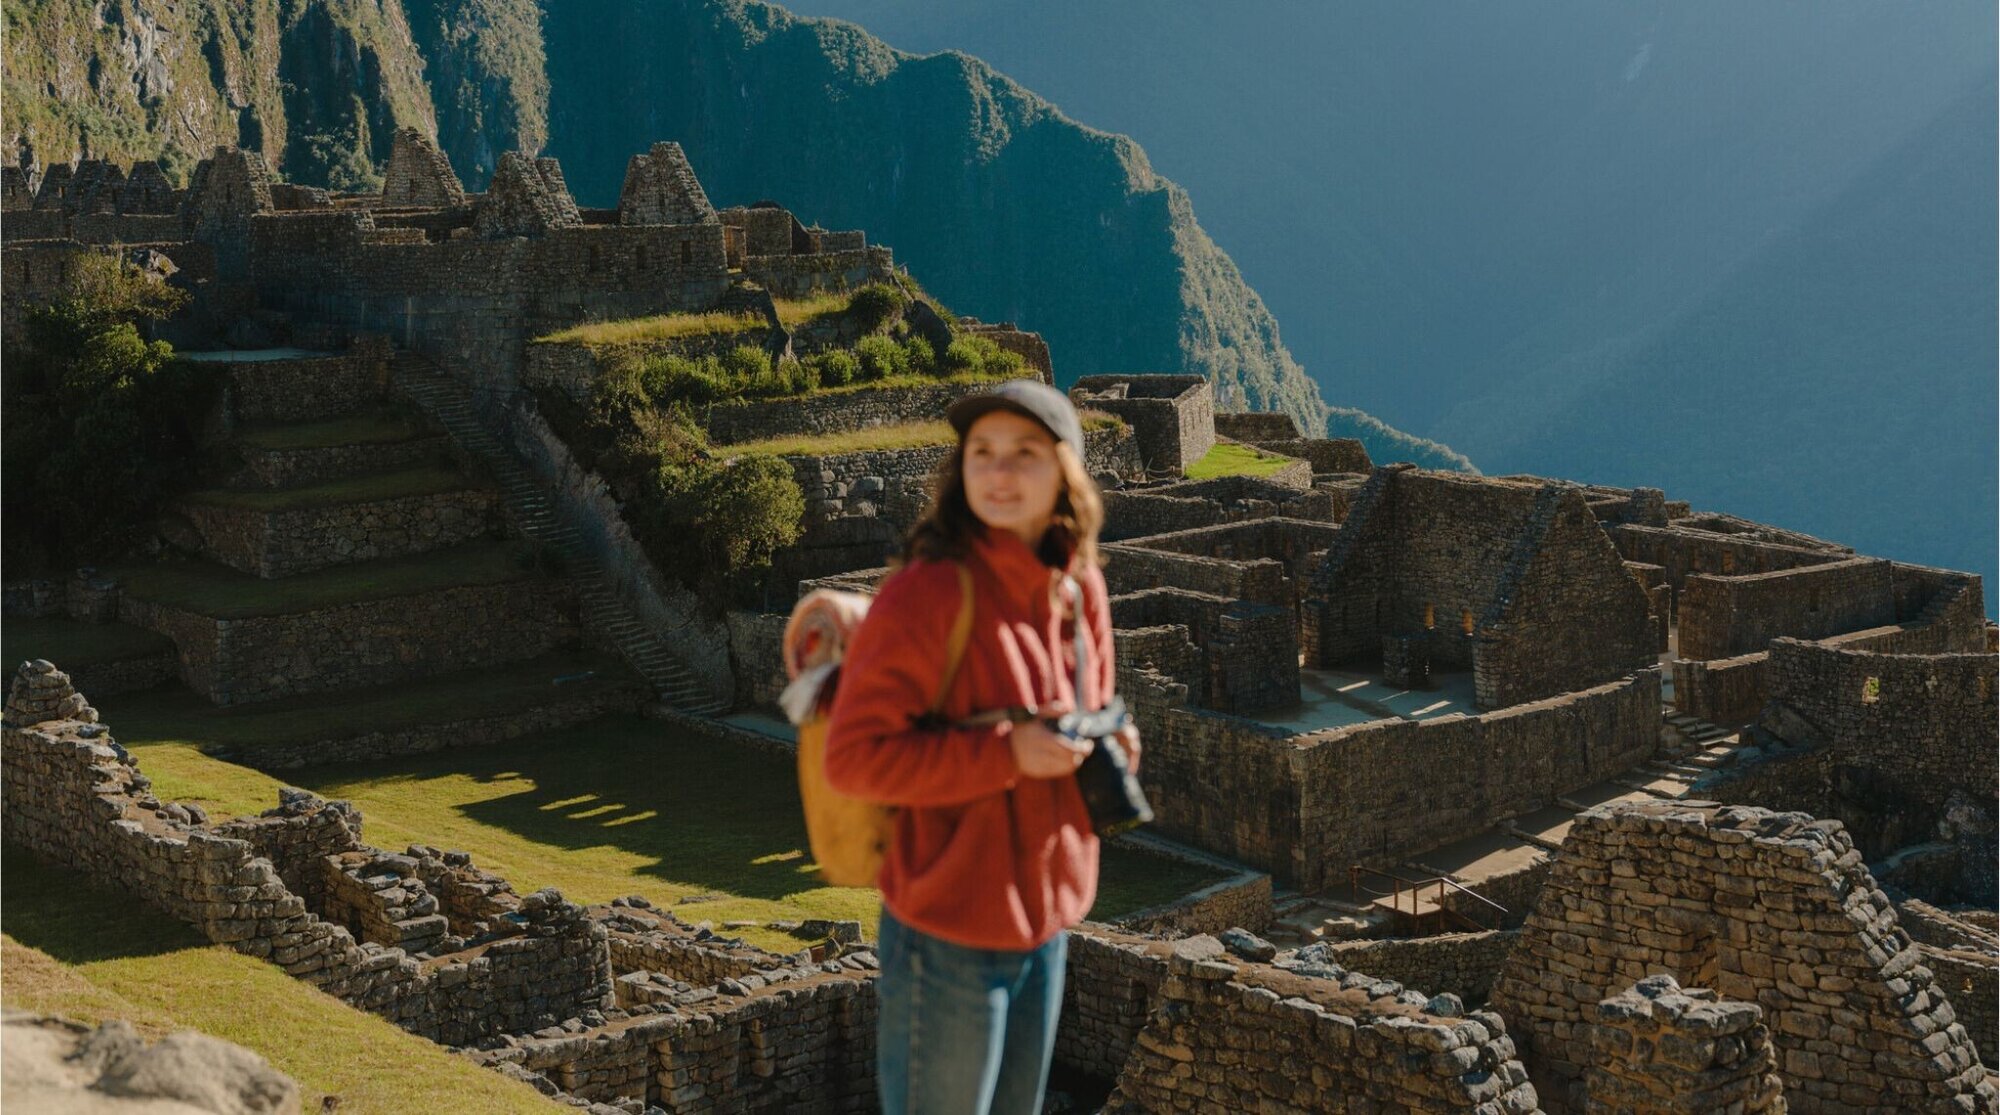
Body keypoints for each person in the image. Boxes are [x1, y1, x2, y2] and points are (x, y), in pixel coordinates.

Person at [822, 379, 1141, 1115]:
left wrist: (1112, 739)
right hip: (948, 934)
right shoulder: (929, 594)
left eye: (1024, 453)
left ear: (1065, 468)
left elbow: (1088, 710)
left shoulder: (1078, 586)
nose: (999, 473)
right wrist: (1005, 753)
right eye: (982, 452)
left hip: (1048, 921)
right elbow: (854, 758)